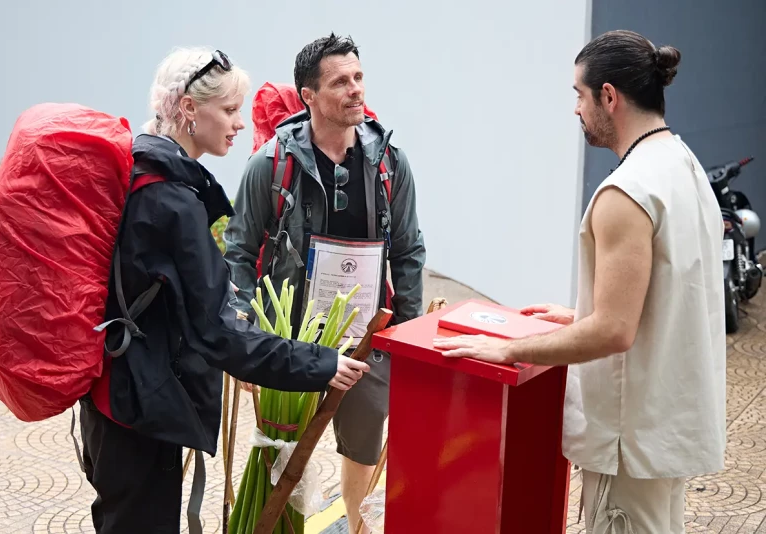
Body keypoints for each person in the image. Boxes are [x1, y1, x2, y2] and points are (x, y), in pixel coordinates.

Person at [434, 30, 725, 533]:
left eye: (579, 94)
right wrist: (577, 317)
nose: (575, 108)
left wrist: (510, 351)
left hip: (628, 441)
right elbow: (665, 300)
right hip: (666, 427)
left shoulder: (626, 192)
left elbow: (615, 331)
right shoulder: (683, 164)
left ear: (608, 97)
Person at [79, 47, 370, 534]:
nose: (240, 123)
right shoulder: (170, 200)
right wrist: (323, 363)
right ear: (189, 109)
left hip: (115, 398)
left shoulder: (141, 167)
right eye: (230, 110)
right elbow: (219, 333)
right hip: (141, 413)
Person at [224, 33, 426, 533]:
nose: (355, 89)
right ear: (308, 96)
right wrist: (246, 335)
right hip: (292, 340)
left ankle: (356, 526)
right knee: (286, 446)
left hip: (366, 339)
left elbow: (408, 251)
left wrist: (407, 337)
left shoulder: (390, 164)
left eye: (358, 77)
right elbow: (239, 251)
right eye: (340, 82)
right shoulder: (270, 166)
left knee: (363, 446)